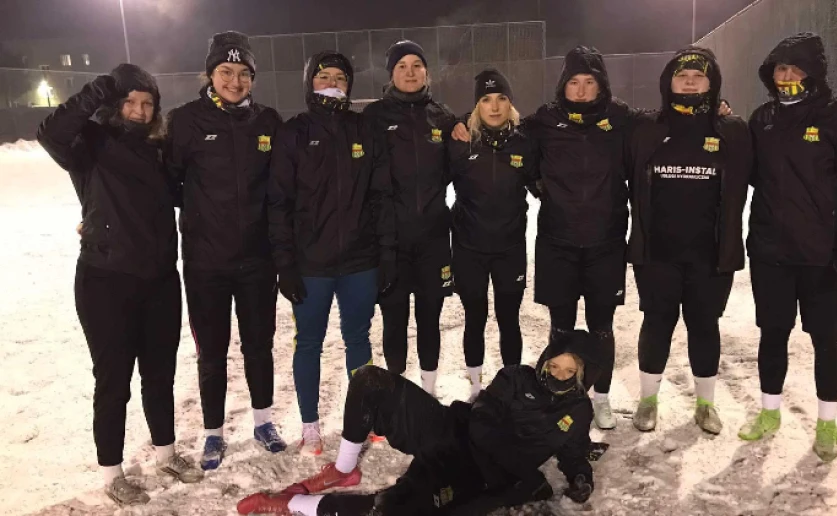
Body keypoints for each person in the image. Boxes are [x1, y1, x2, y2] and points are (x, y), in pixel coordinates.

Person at [37, 64, 202, 506]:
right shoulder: (89, 143)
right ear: (115, 105)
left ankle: (166, 453)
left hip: (160, 280)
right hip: (106, 280)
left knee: (160, 376)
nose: (139, 110)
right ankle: (112, 472)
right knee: (113, 382)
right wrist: (97, 90)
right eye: (130, 101)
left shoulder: (160, 151)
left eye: (147, 103)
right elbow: (50, 133)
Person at [235, 329, 608, 516]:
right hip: (453, 433)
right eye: (554, 365)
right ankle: (344, 469)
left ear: (582, 377)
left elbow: (574, 452)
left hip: (474, 473)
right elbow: (481, 422)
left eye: (568, 372)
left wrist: (581, 476)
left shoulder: (578, 412)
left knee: (395, 510)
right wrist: (522, 468)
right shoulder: (516, 377)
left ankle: (292, 504)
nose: (557, 375)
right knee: (370, 380)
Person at [738, 32, 837, 462]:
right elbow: (746, 171)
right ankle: (769, 412)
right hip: (771, 253)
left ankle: (827, 423)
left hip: (825, 258)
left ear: (814, 72)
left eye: (796, 68)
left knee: (826, 340)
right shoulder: (762, 119)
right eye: (780, 68)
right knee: (772, 334)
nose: (786, 76)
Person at [165, 30, 286, 470]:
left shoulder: (268, 122)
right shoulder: (185, 121)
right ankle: (213, 433)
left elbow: (283, 185)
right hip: (206, 264)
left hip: (257, 261)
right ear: (210, 74)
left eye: (243, 74)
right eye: (226, 71)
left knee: (259, 345)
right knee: (211, 352)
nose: (235, 81)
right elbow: (168, 183)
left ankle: (263, 421)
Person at [505, 46, 640, 429]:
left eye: (589, 83)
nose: (581, 90)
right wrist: (542, 189)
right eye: (574, 82)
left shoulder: (621, 118)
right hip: (558, 242)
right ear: (563, 85)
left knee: (601, 328)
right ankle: (559, 395)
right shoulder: (544, 121)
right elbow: (506, 138)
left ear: (602, 85)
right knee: (561, 328)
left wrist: (717, 110)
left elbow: (663, 124)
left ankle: (601, 398)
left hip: (605, 243)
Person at [269, 51, 394, 456]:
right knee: (309, 343)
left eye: (340, 77)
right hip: (312, 265)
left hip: (360, 262)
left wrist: (385, 254)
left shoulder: (364, 129)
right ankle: (310, 426)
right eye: (324, 76)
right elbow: (279, 204)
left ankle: (364, 416)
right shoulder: (294, 133)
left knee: (358, 339)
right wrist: (285, 264)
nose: (333, 83)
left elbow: (380, 196)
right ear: (310, 82)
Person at [626, 47, 753, 434]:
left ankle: (705, 405)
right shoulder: (646, 129)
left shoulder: (733, 131)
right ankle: (648, 401)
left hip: (711, 256)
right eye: (683, 77)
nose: (691, 82)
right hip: (657, 254)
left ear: (712, 84)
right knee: (656, 324)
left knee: (704, 326)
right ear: (669, 83)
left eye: (699, 77)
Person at [362, 40, 458, 395]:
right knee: (394, 319)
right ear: (391, 74)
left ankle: (428, 393)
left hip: (433, 240)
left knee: (430, 319)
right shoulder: (373, 117)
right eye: (402, 66)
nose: (410, 72)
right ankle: (397, 394)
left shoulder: (442, 117)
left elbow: (457, 167)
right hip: (391, 242)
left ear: (427, 72)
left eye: (417, 65)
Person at [447, 69, 538, 400]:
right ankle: (475, 388)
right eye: (486, 100)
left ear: (510, 103)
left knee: (509, 319)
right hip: (469, 249)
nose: (495, 107)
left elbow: (543, 185)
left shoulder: (524, 142)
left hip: (509, 249)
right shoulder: (461, 142)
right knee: (475, 318)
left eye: (501, 98)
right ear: (477, 106)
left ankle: (512, 386)